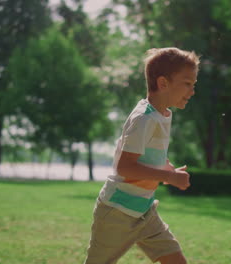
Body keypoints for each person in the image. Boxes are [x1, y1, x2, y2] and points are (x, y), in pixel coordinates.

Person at [84, 47, 200, 264]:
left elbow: (149, 157)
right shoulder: (143, 119)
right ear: (163, 83)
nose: (192, 91)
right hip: (117, 213)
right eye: (187, 83)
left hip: (144, 212)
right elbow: (125, 167)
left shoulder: (163, 114)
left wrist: (168, 169)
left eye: (193, 85)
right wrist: (169, 178)